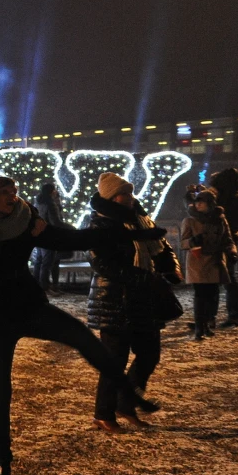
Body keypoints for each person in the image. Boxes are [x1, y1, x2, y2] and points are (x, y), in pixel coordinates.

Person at [0, 177, 163, 475]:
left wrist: (134, 233)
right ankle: (4, 463)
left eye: (15, 191)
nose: (13, 196)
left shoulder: (26, 222)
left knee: (82, 336)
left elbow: (73, 240)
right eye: (5, 192)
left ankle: (130, 394)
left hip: (27, 306)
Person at [86, 173, 181, 433]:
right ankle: (103, 414)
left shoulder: (141, 219)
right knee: (114, 361)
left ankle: (125, 405)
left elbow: (162, 246)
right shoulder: (100, 224)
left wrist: (171, 267)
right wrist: (142, 277)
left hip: (144, 300)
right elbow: (101, 263)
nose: (129, 198)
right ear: (110, 197)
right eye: (123, 194)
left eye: (129, 192)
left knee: (149, 355)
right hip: (114, 301)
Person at [179, 185, 236, 342]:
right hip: (197, 262)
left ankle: (206, 324)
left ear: (210, 204)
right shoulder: (190, 220)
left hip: (215, 261)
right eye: (197, 202)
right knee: (200, 295)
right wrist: (192, 241)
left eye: (202, 202)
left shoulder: (220, 220)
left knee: (212, 295)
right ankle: (199, 327)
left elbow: (227, 239)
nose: (198, 204)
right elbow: (182, 243)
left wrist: (232, 252)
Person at [209, 168, 238, 327]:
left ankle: (213, 316)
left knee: (222, 279)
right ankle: (232, 315)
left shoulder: (227, 201)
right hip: (229, 241)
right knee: (226, 279)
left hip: (222, 241)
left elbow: (213, 215)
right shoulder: (236, 199)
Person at [31, 183, 66, 294]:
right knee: (47, 262)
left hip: (39, 234)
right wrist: (69, 229)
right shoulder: (50, 204)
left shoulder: (38, 202)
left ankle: (36, 285)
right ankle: (45, 287)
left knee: (39, 261)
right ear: (51, 191)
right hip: (49, 235)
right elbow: (55, 221)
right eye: (54, 189)